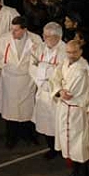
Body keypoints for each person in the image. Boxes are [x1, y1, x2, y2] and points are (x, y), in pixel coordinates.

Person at [51, 39, 89, 176]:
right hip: (66, 110)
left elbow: (70, 92)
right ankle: (74, 173)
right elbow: (55, 77)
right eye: (68, 52)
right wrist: (59, 89)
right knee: (69, 144)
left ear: (80, 52)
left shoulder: (82, 69)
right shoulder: (66, 62)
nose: (70, 55)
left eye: (74, 52)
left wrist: (61, 90)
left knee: (79, 146)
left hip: (76, 111)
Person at [0, 16, 42, 148]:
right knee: (11, 112)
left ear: (24, 30)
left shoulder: (35, 40)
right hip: (10, 80)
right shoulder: (4, 39)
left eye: (16, 30)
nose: (13, 32)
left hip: (27, 80)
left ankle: (29, 135)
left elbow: (38, 58)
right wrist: (7, 68)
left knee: (27, 110)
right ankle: (11, 137)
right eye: (12, 29)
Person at [30, 22, 66, 158]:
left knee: (56, 124)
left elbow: (62, 73)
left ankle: (61, 149)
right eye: (44, 35)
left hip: (55, 94)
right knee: (45, 124)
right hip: (42, 90)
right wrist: (42, 74)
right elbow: (32, 65)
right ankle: (51, 147)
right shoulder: (41, 48)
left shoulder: (64, 52)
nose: (43, 39)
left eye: (46, 36)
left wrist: (43, 67)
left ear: (57, 37)